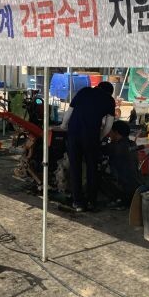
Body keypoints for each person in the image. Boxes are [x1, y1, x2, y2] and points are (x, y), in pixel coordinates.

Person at [61, 81, 116, 212]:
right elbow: (108, 125)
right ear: (110, 93)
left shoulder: (84, 91)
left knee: (75, 168)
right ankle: (91, 201)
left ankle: (78, 202)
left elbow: (69, 112)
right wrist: (100, 137)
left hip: (74, 134)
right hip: (91, 137)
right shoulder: (109, 100)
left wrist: (63, 126)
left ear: (97, 87)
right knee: (92, 168)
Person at [102, 121, 143, 210]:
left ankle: (119, 200)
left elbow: (99, 149)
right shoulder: (132, 144)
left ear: (116, 133)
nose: (109, 135)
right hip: (137, 186)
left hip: (125, 189)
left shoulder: (116, 147)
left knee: (98, 175)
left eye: (110, 132)